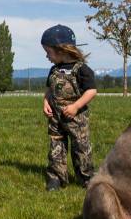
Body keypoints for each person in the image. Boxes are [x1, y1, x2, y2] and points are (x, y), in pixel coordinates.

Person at [41, 24, 97, 191]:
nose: (46, 56)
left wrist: (76, 106)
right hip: (56, 118)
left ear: (61, 50)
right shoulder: (54, 69)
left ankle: (86, 178)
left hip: (76, 117)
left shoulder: (82, 70)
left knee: (81, 147)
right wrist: (45, 102)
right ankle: (56, 178)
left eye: (48, 52)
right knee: (56, 147)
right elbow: (49, 89)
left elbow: (91, 91)